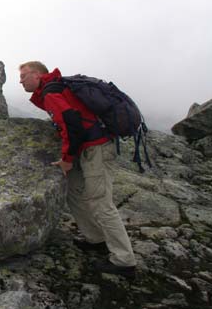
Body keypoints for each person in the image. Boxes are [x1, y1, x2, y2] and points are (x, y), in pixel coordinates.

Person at [19, 61, 138, 277]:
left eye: (24, 76)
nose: (21, 80)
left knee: (100, 202)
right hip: (86, 148)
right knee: (73, 191)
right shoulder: (54, 89)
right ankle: (96, 238)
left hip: (97, 149)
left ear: (37, 75)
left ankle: (124, 261)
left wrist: (67, 159)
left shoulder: (51, 92)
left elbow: (71, 124)